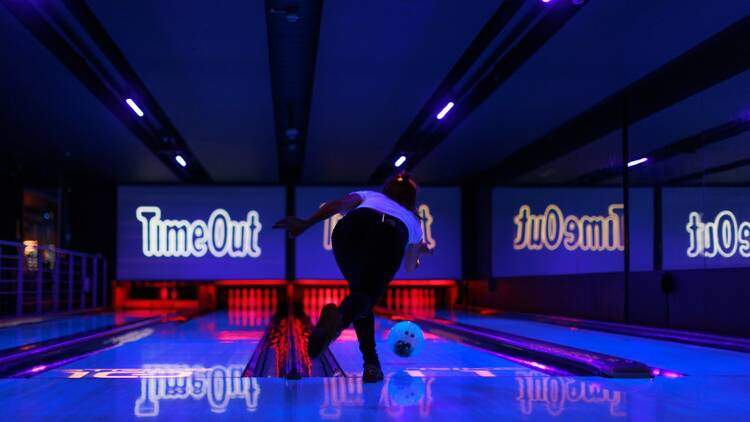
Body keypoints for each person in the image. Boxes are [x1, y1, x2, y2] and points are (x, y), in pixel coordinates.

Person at [273, 172, 433, 383]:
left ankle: (371, 365)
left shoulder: (370, 196)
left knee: (360, 295)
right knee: (364, 299)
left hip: (348, 231)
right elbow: (411, 267)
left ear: (387, 191)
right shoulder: (413, 220)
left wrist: (306, 223)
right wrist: (419, 252)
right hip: (390, 235)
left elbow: (337, 205)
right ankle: (339, 322)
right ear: (412, 198)